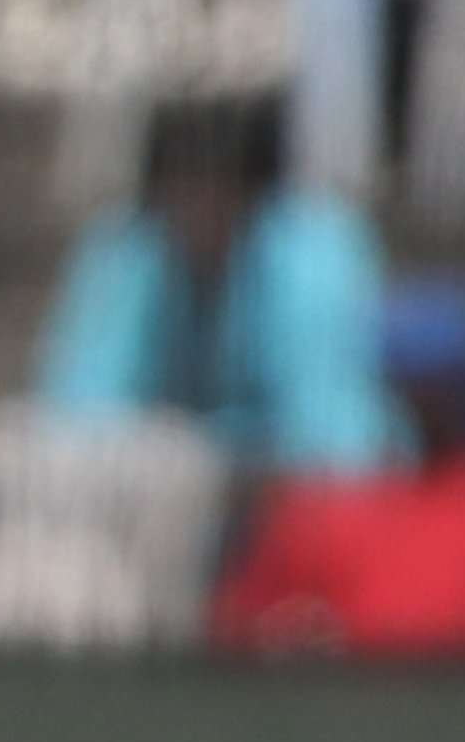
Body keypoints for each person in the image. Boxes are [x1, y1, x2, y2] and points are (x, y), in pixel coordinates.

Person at [36, 99, 401, 483]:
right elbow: (75, 412)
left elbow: (337, 436)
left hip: (291, 494)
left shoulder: (318, 251)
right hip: (163, 489)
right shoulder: (122, 248)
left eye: (221, 181)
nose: (201, 201)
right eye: (182, 181)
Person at [213, 278, 465, 658]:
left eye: (438, 384)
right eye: (415, 383)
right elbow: (238, 633)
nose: (425, 397)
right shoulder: (320, 517)